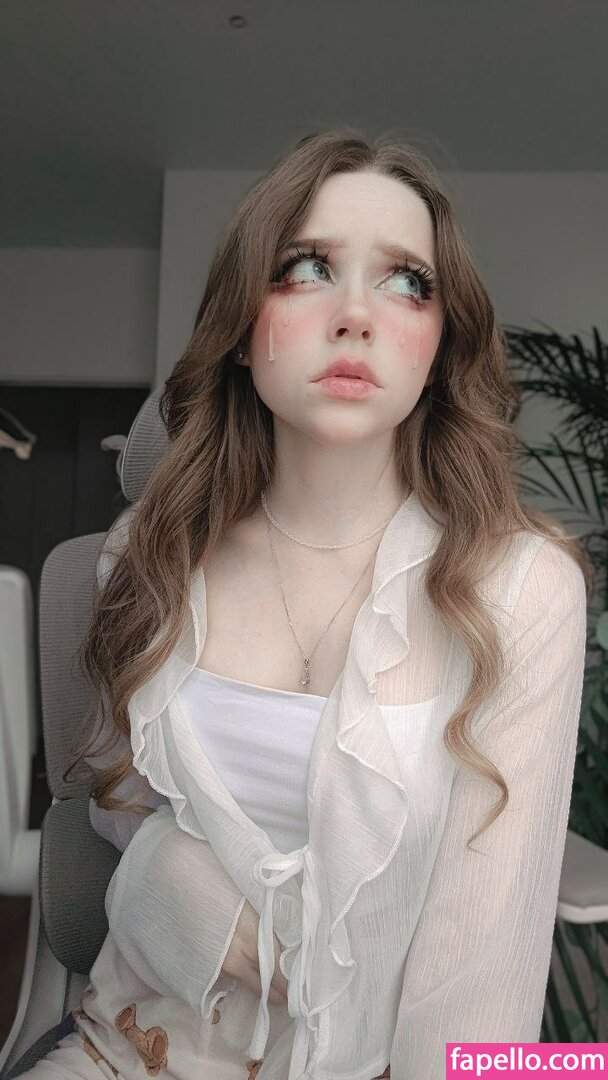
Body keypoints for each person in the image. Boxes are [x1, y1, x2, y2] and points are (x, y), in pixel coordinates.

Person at [14, 127, 592, 1080]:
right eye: (307, 268)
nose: (356, 314)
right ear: (243, 328)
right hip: (127, 1047)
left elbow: (482, 971)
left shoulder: (520, 588)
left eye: (407, 282)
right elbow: (118, 804)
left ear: (440, 346)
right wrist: (209, 907)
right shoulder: (146, 553)